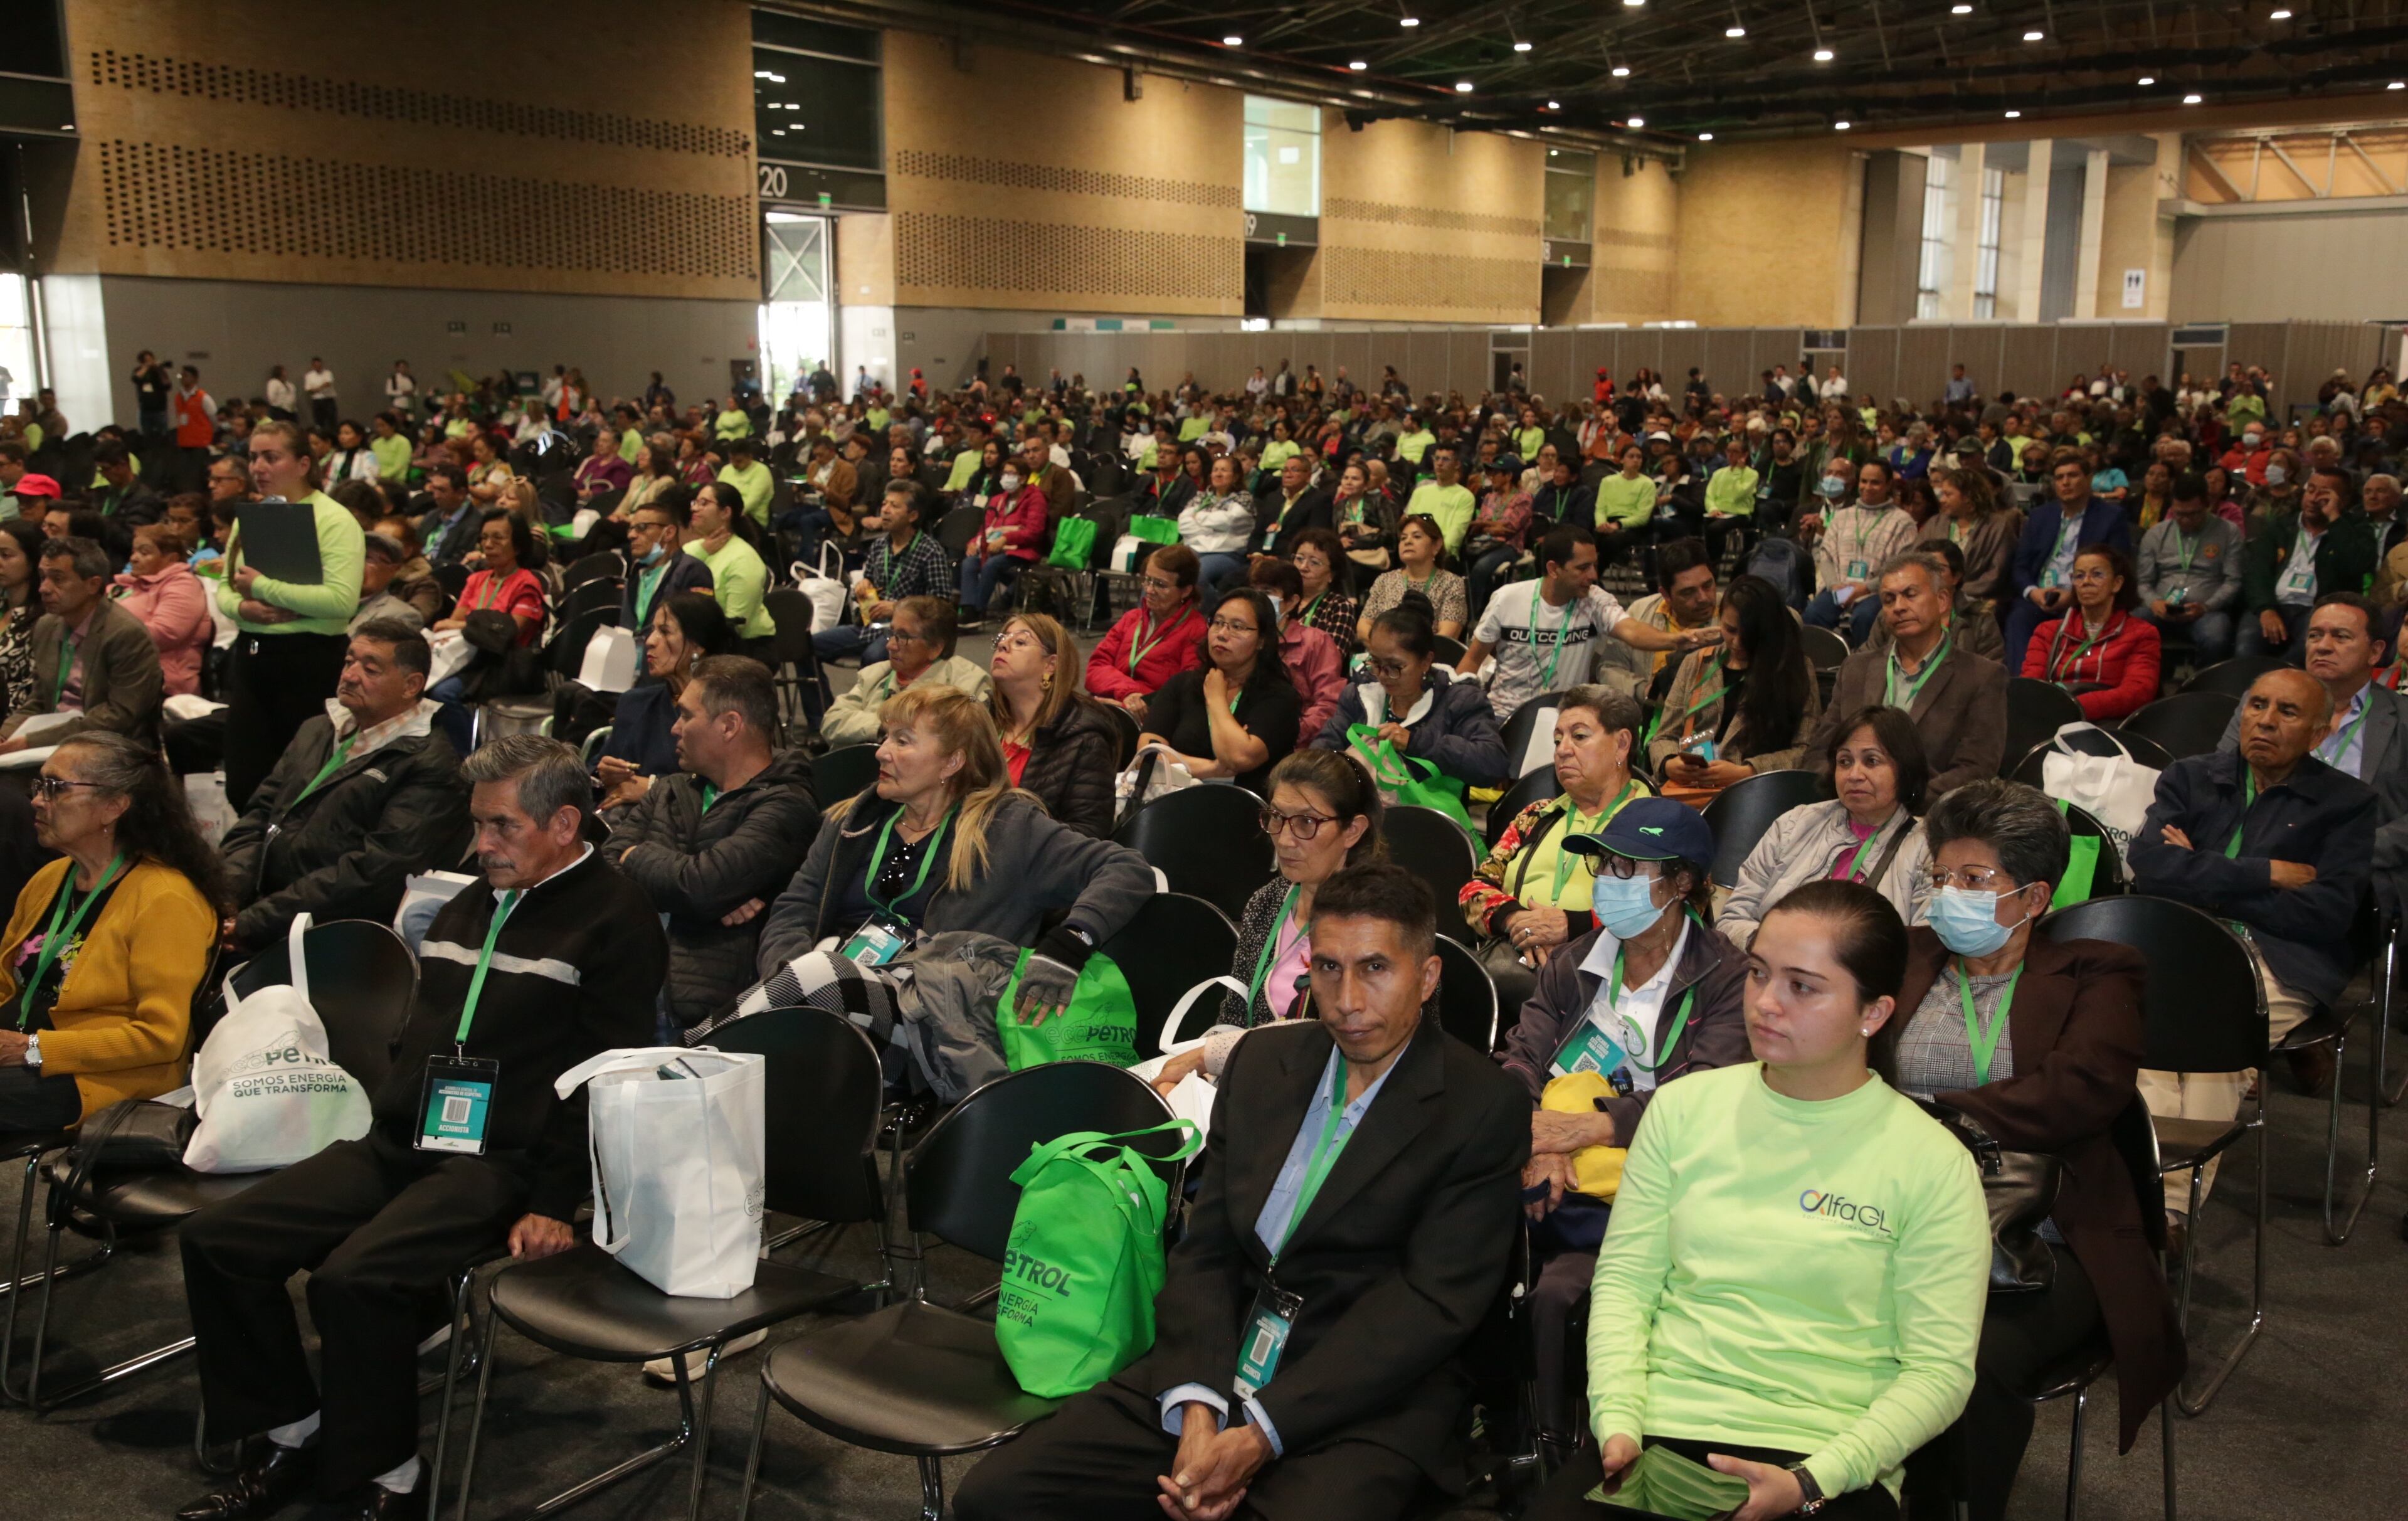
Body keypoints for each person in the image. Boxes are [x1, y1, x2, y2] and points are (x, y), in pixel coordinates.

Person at [176, 738, 666, 1520]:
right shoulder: (475, 896)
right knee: (220, 1240)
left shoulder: (617, 917)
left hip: (503, 1159)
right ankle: (294, 1432)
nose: (483, 844)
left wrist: (552, 1198)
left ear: (565, 823)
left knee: (355, 1279)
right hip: (403, 1136)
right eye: (478, 824)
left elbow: (607, 1072)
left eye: (502, 826)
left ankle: (391, 1478)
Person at [953, 862, 1526, 1521]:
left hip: (1363, 1398)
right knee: (997, 1498)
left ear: (1426, 977)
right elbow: (1208, 1251)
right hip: (1221, 1360)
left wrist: (1260, 1433)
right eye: (1328, 967)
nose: (1347, 999)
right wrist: (1198, 1407)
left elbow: (1428, 1308)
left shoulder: (1480, 1107)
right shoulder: (1260, 1065)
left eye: (1375, 968)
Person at [1522, 879, 1990, 1521]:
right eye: (1759, 973)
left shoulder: (1932, 1161)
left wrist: (1813, 1480)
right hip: (1660, 1430)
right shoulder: (1682, 1110)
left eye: (1803, 986)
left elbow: (1939, 1372)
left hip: (1829, 1453)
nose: (1766, 1002)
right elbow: (1627, 1284)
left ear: (1874, 1013)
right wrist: (1619, 1422)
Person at [1881, 779, 2178, 1520]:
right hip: (1890, 1217)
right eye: (1941, 876)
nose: (1949, 893)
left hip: (2035, 1239)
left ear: (2034, 897)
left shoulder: (2096, 972)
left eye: (1975, 878)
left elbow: (2075, 1093)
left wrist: (1922, 1120)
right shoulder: (1906, 956)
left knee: (1969, 1358)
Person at [734, 684, 1155, 1091]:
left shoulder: (1008, 828)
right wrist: (785, 974)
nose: (881, 751)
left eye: (903, 740)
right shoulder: (853, 821)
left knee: (820, 975)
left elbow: (1126, 868)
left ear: (952, 762)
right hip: (829, 1000)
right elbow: (797, 906)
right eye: (885, 736)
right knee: (811, 989)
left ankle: (705, 1068)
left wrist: (1071, 943)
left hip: (935, 1023)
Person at [1498, 797, 1750, 1440]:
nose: (1609, 880)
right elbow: (1521, 1060)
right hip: (1551, 1170)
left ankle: (1562, 1446)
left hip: (1659, 1184)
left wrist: (1588, 1127)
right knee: (1460, 1242)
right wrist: (1541, 1142)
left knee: (1558, 1293)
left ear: (1682, 882)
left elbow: (1705, 1093)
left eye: (1630, 868)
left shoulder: (1726, 976)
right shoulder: (1575, 962)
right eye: (1606, 864)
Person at [2130, 669, 2372, 1222]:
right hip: (2185, 940)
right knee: (2142, 1026)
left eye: (2287, 711)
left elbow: (2327, 913)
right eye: (2257, 704)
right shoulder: (2190, 777)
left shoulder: (2346, 803)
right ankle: (2160, 1206)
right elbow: (2151, 867)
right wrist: (2265, 874)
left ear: (2318, 733)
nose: (2264, 720)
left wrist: (2202, 870)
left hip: (2279, 958)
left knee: (2216, 1037)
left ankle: (2167, 1211)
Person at [0, 732, 218, 1130]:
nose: (37, 800)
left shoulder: (164, 899)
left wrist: (33, 1048)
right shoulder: (50, 879)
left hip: (102, 1076)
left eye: (55, 787)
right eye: (39, 785)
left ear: (113, 807)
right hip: (23, 1049)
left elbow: (161, 1038)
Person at [218, 620, 470, 953]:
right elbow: (259, 816)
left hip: (336, 937)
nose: (350, 675)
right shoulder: (317, 730)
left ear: (411, 685)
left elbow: (375, 874)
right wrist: (227, 895)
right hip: (262, 911)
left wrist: (256, 922)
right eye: (349, 661)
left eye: (371, 669)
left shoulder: (431, 766)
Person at [1147, 750, 1385, 1093]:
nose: (1285, 839)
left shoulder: (1377, 923)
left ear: (1352, 831)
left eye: (1307, 823)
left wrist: (1211, 1057)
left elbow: (1337, 1045)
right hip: (1256, 1079)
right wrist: (1202, 1082)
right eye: (1277, 817)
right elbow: (1234, 1015)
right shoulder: (1269, 901)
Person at [606, 656, 818, 1038]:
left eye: (687, 716)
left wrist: (635, 856)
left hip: (708, 1017)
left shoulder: (786, 806)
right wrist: (693, 890)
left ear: (729, 726)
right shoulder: (672, 789)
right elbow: (605, 872)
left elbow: (699, 888)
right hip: (627, 987)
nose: (675, 728)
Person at [2219, 593, 2408, 920]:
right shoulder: (2262, 702)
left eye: (2341, 637)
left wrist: (2345, 850)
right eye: (2315, 635)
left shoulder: (2402, 718)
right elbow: (2220, 778)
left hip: (2352, 876)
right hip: (2257, 860)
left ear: (2376, 651)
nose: (2323, 646)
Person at [215, 419, 366, 810]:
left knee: (303, 785)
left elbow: (341, 602)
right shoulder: (252, 516)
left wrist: (264, 588)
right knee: (243, 784)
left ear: (303, 464)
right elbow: (225, 589)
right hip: (251, 655)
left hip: (309, 660)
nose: (258, 467)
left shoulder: (334, 519)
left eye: (271, 457)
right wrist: (244, 607)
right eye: (253, 457)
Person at [1463, 686, 1653, 995]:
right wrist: (1517, 921)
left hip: (1610, 980)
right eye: (1557, 740)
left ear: (1622, 744)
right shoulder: (1535, 816)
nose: (1562, 750)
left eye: (1579, 736)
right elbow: (1475, 889)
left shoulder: (1657, 824)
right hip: (1515, 967)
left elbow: (1669, 907)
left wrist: (1573, 926)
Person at [1720, 704, 1932, 948]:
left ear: (1905, 769)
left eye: (1872, 761)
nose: (1854, 774)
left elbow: (1922, 950)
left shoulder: (1927, 849)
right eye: (1845, 761)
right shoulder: (1794, 824)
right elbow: (1732, 919)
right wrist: (1776, 948)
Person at [1464, 525, 1717, 724]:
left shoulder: (1595, 601)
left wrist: (1676, 640)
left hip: (1564, 719)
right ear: (1554, 569)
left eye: (1594, 565)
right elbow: (1473, 659)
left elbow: (1631, 630)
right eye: (1583, 568)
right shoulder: (1507, 599)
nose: (1594, 575)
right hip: (1504, 716)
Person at [1805, 552, 2009, 797]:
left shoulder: (1982, 676)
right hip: (1849, 806)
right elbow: (1819, 751)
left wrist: (1899, 803)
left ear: (1942, 600)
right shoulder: (1856, 669)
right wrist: (1844, 791)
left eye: (1910, 595)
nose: (1899, 607)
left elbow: (1976, 769)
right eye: (1889, 599)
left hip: (1929, 812)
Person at [1647, 573, 1821, 808]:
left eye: (1749, 635)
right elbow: (1664, 736)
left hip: (1760, 795)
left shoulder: (1795, 669)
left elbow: (1807, 749)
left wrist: (1747, 772)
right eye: (1730, 630)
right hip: (1692, 792)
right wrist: (1669, 763)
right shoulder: (1698, 663)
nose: (1737, 643)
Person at [1311, 600, 1506, 786]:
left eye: (1395, 667)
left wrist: (1415, 742)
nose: (1383, 675)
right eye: (1376, 663)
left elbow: (1492, 765)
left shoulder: (1460, 700)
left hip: (1424, 806)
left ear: (1426, 662)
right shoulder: (1360, 694)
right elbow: (1324, 748)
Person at [0, 537, 166, 751]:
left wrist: (31, 742)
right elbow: (39, 701)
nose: (44, 588)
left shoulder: (126, 634)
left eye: (58, 579)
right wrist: (4, 735)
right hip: (50, 740)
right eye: (43, 577)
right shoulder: (46, 626)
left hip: (109, 748)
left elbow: (119, 716)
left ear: (93, 585)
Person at [1138, 588, 1302, 797]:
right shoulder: (1183, 684)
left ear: (1262, 640)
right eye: (1217, 623)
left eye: (1237, 627)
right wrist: (1211, 769)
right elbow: (1147, 755)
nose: (1222, 634)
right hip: (1172, 800)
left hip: (1242, 807)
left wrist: (1216, 699)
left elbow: (1239, 758)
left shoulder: (1279, 697)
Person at [594, 592, 739, 812]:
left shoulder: (727, 711)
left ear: (697, 645)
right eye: (653, 630)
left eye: (665, 631)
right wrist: (604, 772)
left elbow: (733, 785)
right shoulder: (634, 703)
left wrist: (653, 787)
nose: (650, 641)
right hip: (624, 821)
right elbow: (597, 772)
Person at [987, 612, 1120, 838]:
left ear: (1050, 665)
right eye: (1002, 639)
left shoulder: (1084, 739)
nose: (1003, 645)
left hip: (1031, 855)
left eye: (1020, 642)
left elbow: (1089, 832)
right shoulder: (983, 717)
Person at [2004, 448, 2134, 673]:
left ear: (2089, 479)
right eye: (2059, 477)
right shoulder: (2041, 516)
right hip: (2041, 596)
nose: (2065, 482)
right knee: (2019, 618)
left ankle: (2066, 685)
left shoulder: (2111, 517)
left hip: (2084, 598)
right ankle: (2024, 683)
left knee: (2077, 620)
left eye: (2073, 475)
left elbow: (2117, 568)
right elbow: (2020, 566)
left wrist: (2074, 595)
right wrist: (2033, 592)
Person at [2239, 462, 2376, 662]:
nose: (2314, 498)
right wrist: (2265, 609)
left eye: (2324, 494)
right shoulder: (2280, 526)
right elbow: (2257, 571)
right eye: (2310, 490)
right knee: (2246, 647)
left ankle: (2278, 679)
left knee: (2304, 652)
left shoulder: (2355, 528)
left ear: (2344, 500)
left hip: (2320, 609)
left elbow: (2356, 565)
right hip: (2275, 604)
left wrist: (2334, 518)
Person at [821, 595, 991, 749]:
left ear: (936, 648)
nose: (890, 646)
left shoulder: (967, 683)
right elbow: (832, 721)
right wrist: (883, 726)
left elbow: (958, 738)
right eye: (891, 633)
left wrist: (864, 725)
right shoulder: (876, 674)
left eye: (903, 637)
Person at [815, 480, 954, 667]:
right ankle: (818, 690)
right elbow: (869, 584)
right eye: (884, 504)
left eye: (894, 506)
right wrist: (863, 586)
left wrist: (898, 608)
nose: (885, 510)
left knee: (873, 658)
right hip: (870, 627)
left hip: (907, 634)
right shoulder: (879, 546)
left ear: (913, 515)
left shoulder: (930, 551)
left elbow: (941, 604)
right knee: (807, 645)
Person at [2015, 543, 2160, 720]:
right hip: (2053, 719)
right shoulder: (2047, 632)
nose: (2086, 582)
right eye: (2079, 576)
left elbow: (2137, 693)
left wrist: (2074, 707)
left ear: (2117, 583)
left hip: (2108, 723)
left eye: (2097, 574)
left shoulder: (2142, 633)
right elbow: (2031, 686)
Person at [1087, 544, 1206, 725]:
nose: (1149, 590)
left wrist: (1126, 706)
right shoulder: (1131, 619)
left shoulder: (1196, 630)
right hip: (1112, 703)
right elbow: (1095, 668)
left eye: (1160, 585)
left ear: (1186, 591)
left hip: (1152, 719)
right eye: (1148, 580)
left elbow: (1184, 691)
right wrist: (1127, 694)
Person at [2135, 470, 2242, 665]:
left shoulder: (2228, 532)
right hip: (2161, 608)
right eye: (2179, 514)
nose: (2185, 520)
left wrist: (2207, 606)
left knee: (2216, 638)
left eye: (2193, 514)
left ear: (2207, 504)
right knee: (2131, 626)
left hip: (2207, 611)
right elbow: (2143, 582)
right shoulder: (2156, 534)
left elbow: (2233, 581)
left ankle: (2204, 683)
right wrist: (2154, 602)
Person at [1809, 459, 1920, 645]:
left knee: (1865, 618)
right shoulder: (1842, 517)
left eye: (1875, 482)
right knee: (1814, 614)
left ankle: (1865, 662)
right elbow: (1826, 556)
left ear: (1888, 485)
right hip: (1841, 589)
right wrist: (1834, 585)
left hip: (1878, 591)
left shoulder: (1903, 522)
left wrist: (1866, 588)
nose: (1868, 487)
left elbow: (1902, 568)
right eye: (1864, 481)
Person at [1595, 536, 1718, 704]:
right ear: (1666, 595)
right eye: (1688, 592)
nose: (1703, 598)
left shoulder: (1732, 614)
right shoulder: (1640, 611)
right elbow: (1609, 668)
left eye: (1708, 585)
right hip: (1649, 714)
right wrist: (1645, 691)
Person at [1245, 559, 1344, 740]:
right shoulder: (1244, 637)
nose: (1257, 599)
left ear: (1292, 601)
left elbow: (1328, 703)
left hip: (1296, 740)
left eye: (1267, 592)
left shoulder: (1315, 642)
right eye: (1254, 591)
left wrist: (1290, 733)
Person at [114, 522, 212, 697]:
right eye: (134, 551)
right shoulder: (127, 585)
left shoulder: (183, 584)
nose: (134, 558)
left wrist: (106, 635)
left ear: (171, 559)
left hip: (161, 685)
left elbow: (165, 633)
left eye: (145, 553)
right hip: (120, 673)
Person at [958, 455, 1048, 623]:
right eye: (1004, 473)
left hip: (1021, 550)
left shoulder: (1035, 498)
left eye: (1011, 474)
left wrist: (1006, 539)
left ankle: (978, 610)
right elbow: (985, 529)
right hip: (994, 548)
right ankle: (968, 609)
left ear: (1023, 478)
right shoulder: (997, 500)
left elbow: (1034, 532)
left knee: (992, 565)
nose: (1006, 477)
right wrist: (973, 543)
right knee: (969, 563)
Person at [684, 480, 775, 644]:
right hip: (696, 639)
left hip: (742, 646)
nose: (694, 508)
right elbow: (672, 578)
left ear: (725, 512)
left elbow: (735, 625)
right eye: (695, 502)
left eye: (704, 503)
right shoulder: (695, 548)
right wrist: (702, 551)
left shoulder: (744, 559)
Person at [1358, 513, 1468, 643]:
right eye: (1403, 538)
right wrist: (1387, 647)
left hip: (1431, 654)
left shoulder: (1451, 583)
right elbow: (1363, 627)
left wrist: (1408, 651)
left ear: (1437, 545)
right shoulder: (1385, 580)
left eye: (1417, 536)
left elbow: (1447, 636)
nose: (1408, 542)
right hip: (1384, 653)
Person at [620, 487, 714, 635]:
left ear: (669, 533)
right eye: (631, 529)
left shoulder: (693, 571)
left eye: (642, 528)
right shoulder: (636, 571)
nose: (632, 535)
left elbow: (697, 631)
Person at [1178, 453, 1257, 597]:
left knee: (1197, 574)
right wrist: (1213, 528)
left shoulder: (1244, 499)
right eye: (1215, 470)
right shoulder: (1201, 497)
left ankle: (1214, 607)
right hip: (1195, 550)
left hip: (1227, 554)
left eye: (1224, 470)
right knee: (1162, 568)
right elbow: (1183, 524)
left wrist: (1199, 518)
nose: (1218, 474)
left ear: (1236, 476)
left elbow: (1230, 521)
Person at [1284, 528, 1358, 653]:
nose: (1303, 567)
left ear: (1331, 575)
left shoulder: (1339, 607)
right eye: (1300, 559)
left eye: (1314, 562)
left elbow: (1330, 658)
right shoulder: (1282, 597)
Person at [0, 519, 45, 716]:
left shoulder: (44, 620)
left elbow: (32, 694)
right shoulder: (3, 606)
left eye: (5, 555)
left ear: (33, 560)